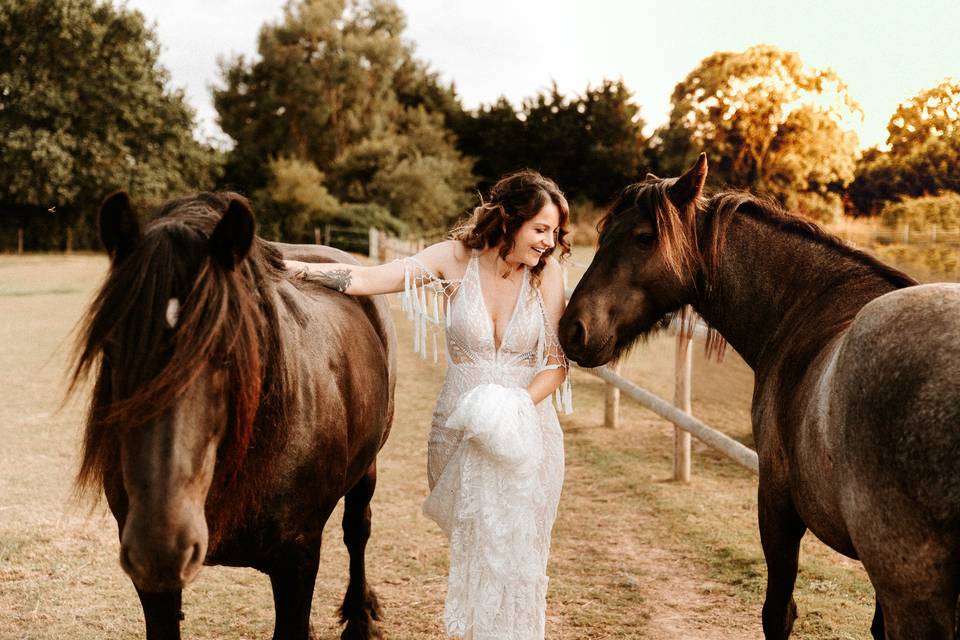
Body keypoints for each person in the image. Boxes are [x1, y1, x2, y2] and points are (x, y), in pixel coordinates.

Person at [284, 170, 572, 639]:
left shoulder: (548, 276)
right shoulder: (455, 260)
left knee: (519, 557)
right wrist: (297, 270)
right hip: (460, 430)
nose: (548, 242)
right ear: (510, 219)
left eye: (555, 233)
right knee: (476, 549)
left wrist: (513, 406)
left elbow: (557, 364)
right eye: (540, 229)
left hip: (526, 428)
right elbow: (365, 278)